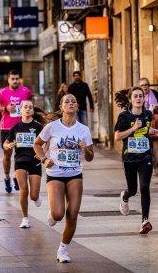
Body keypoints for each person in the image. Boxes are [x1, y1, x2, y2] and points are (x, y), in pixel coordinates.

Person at [33, 93, 94, 263]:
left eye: (74, 101)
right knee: (59, 214)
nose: (71, 103)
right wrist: (44, 159)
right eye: (67, 101)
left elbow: (90, 157)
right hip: (55, 174)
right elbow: (37, 144)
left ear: (77, 106)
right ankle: (53, 213)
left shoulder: (83, 130)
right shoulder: (52, 127)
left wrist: (86, 149)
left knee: (72, 215)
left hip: (75, 174)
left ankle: (63, 250)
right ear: (61, 107)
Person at [114, 86, 158, 235]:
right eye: (135, 96)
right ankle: (125, 196)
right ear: (130, 99)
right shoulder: (124, 117)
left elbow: (146, 129)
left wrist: (155, 131)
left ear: (143, 99)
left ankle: (145, 221)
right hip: (129, 158)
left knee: (144, 187)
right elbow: (117, 136)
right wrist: (133, 128)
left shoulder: (148, 114)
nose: (138, 98)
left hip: (145, 157)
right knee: (133, 189)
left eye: (140, 96)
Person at [0, 70, 32, 193]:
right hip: (7, 129)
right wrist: (5, 108)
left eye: (17, 78)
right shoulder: (2, 93)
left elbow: (31, 102)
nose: (15, 81)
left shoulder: (25, 91)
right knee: (7, 156)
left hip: (22, 128)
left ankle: (16, 177)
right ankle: (7, 177)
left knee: (21, 156)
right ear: (8, 80)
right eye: (12, 79)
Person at [3, 100, 44, 228]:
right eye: (25, 107)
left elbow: (46, 141)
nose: (27, 109)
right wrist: (9, 145)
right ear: (20, 110)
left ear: (33, 111)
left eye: (30, 107)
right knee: (23, 190)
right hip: (20, 161)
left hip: (35, 162)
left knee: (33, 195)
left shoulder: (38, 127)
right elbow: (5, 143)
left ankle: (36, 198)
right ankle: (25, 218)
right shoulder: (16, 127)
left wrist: (43, 153)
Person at [138, 78, 158, 175]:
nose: (145, 87)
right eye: (142, 85)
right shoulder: (137, 96)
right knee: (144, 148)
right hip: (142, 126)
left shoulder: (154, 93)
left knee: (157, 147)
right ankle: (144, 167)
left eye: (146, 84)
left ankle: (156, 164)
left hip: (156, 124)